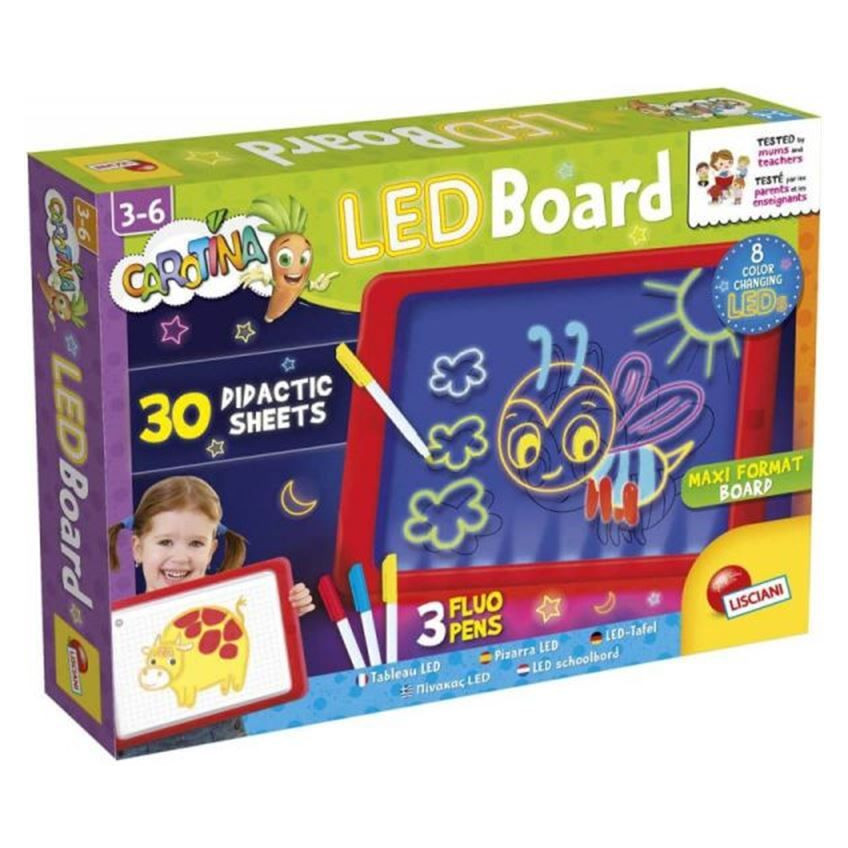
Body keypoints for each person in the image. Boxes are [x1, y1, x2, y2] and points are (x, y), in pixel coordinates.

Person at [108, 475, 314, 755]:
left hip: (221, 736)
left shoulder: (229, 604)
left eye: (195, 543)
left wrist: (286, 612)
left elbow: (258, 654)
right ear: (138, 548)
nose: (180, 557)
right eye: (165, 542)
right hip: (140, 747)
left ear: (211, 550)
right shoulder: (121, 624)